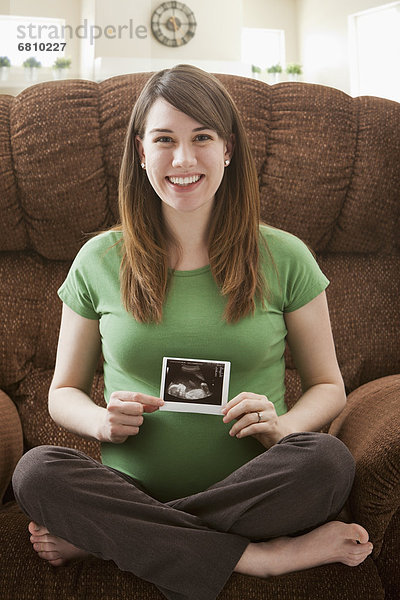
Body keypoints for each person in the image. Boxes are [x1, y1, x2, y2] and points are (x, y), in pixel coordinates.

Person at [12, 64, 373, 600]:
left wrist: (283, 426)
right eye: (164, 140)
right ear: (140, 151)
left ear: (227, 148)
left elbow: (328, 385)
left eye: (201, 137)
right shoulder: (99, 259)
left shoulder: (286, 256)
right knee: (36, 473)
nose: (183, 159)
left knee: (328, 462)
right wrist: (101, 422)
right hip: (130, 487)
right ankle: (261, 558)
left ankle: (116, 538)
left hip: (256, 486)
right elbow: (63, 391)